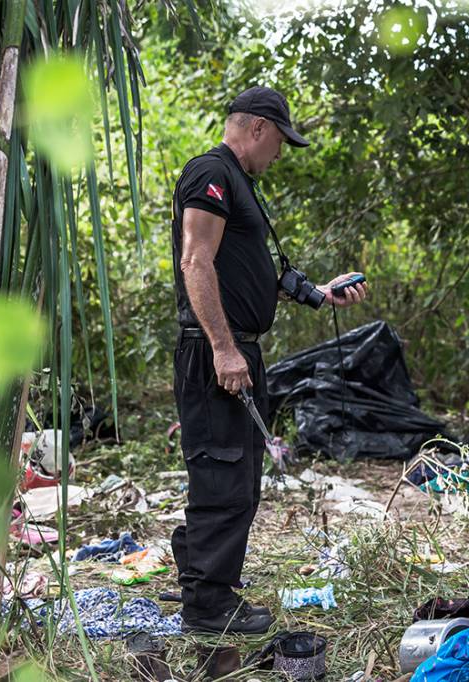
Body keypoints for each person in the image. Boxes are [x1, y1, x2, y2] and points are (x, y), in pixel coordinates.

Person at [169, 86, 369, 634]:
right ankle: (207, 607)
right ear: (258, 128)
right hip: (215, 351)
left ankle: (197, 575)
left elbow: (253, 271)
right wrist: (223, 348)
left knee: (238, 474)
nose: (280, 153)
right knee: (223, 476)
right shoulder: (210, 173)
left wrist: (319, 294)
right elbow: (196, 261)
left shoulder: (239, 184)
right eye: (280, 141)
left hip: (238, 349)